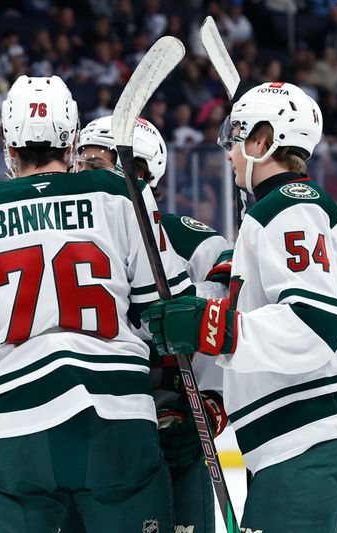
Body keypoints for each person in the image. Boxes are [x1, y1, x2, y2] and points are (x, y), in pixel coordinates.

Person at [0, 75, 190, 532]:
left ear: (8, 146)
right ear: (72, 143)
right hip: (118, 418)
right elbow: (171, 315)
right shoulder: (121, 192)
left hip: (16, 428)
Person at [144, 82, 337, 533]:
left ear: (263, 142)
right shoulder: (276, 211)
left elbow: (313, 326)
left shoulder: (289, 209)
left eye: (237, 138)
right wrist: (223, 291)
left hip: (314, 433)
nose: (229, 152)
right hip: (300, 437)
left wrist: (211, 326)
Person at [60, 114, 231, 533]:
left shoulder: (187, 238)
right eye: (79, 164)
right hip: (89, 427)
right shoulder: (58, 239)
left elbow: (224, 317)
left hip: (173, 421)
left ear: (138, 173)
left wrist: (209, 403)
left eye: (95, 166)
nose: (81, 175)